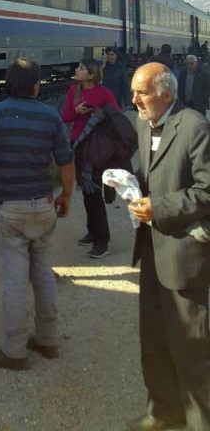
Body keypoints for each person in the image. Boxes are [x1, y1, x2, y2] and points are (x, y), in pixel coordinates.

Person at [0, 58, 74, 371]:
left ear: (8, 84)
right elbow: (66, 161)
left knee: (15, 280)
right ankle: (48, 339)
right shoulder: (51, 116)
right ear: (36, 86)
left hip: (11, 209)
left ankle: (14, 350)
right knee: (42, 274)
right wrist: (66, 195)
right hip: (43, 206)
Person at [128, 63, 210, 431]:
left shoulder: (194, 127)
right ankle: (164, 410)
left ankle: (200, 421)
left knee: (192, 348)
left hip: (184, 255)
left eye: (141, 92)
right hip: (151, 251)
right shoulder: (143, 125)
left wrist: (159, 207)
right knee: (154, 337)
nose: (134, 100)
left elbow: (206, 191)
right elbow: (148, 175)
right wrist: (125, 185)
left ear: (166, 92)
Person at [62, 58, 119, 258]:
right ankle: (92, 231)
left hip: (96, 148)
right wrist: (76, 112)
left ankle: (103, 240)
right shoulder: (73, 90)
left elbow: (116, 116)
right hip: (78, 145)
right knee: (86, 191)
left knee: (94, 191)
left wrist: (99, 114)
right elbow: (65, 117)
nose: (77, 70)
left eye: (81, 68)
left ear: (92, 74)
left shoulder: (104, 93)